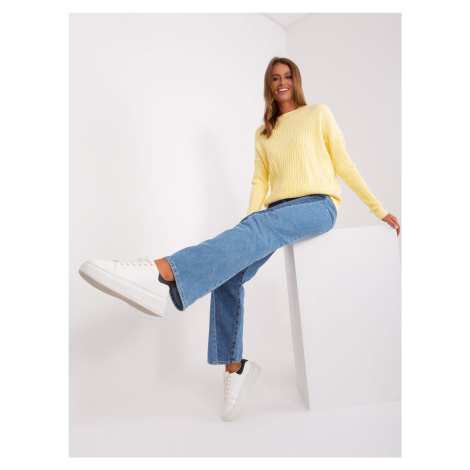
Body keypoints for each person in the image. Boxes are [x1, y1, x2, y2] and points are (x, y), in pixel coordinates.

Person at [79, 56, 401, 422]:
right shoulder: (263, 133)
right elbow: (260, 182)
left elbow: (344, 163)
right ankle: (236, 368)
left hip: (318, 206)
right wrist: (246, 225)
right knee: (229, 272)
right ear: (269, 86)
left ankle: (159, 272)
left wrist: (377, 208)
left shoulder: (318, 114)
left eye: (288, 76)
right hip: (276, 212)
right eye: (275, 78)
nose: (282, 82)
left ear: (296, 81)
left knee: (254, 232)